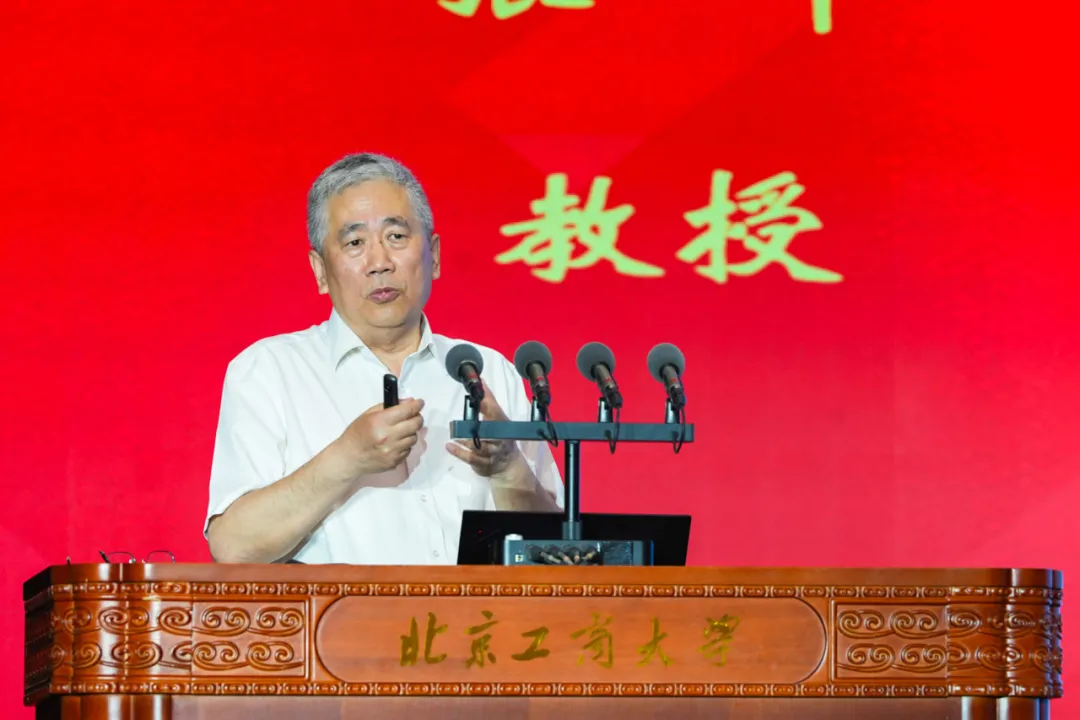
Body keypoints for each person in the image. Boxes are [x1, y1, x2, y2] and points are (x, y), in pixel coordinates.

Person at [204, 152, 564, 565]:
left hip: (478, 610)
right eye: (355, 243)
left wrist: (508, 468)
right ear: (320, 270)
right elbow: (233, 548)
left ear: (434, 255)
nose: (379, 263)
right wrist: (348, 458)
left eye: (396, 236)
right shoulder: (269, 371)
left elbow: (558, 558)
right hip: (337, 610)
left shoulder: (489, 373)